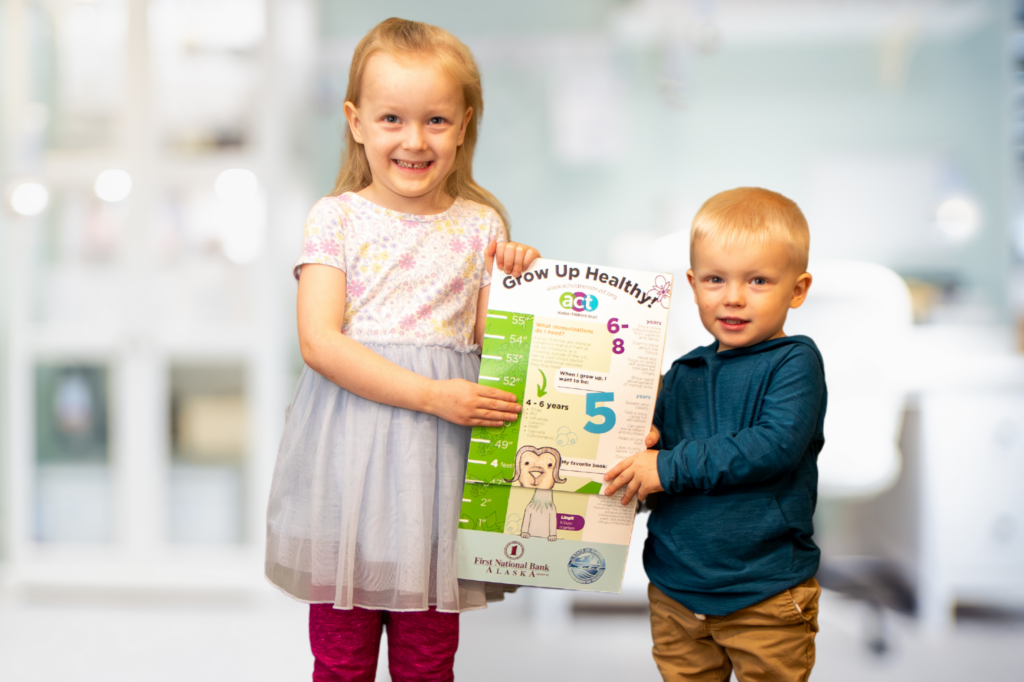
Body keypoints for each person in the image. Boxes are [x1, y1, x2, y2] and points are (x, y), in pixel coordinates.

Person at [264, 18, 541, 682]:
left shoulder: (481, 224)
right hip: (348, 463)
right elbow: (319, 342)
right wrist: (432, 394)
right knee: (340, 656)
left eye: (436, 121)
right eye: (392, 118)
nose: (414, 140)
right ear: (356, 121)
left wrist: (515, 277)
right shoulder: (335, 217)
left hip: (435, 473)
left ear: (464, 124)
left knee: (427, 659)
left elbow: (486, 339)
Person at [603, 187, 827, 681]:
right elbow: (650, 469)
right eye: (714, 279)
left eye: (759, 280)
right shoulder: (680, 374)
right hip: (675, 591)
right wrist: (638, 454)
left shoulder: (794, 362)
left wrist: (665, 466)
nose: (733, 297)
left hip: (765, 594)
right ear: (692, 283)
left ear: (797, 289)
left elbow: (771, 447)